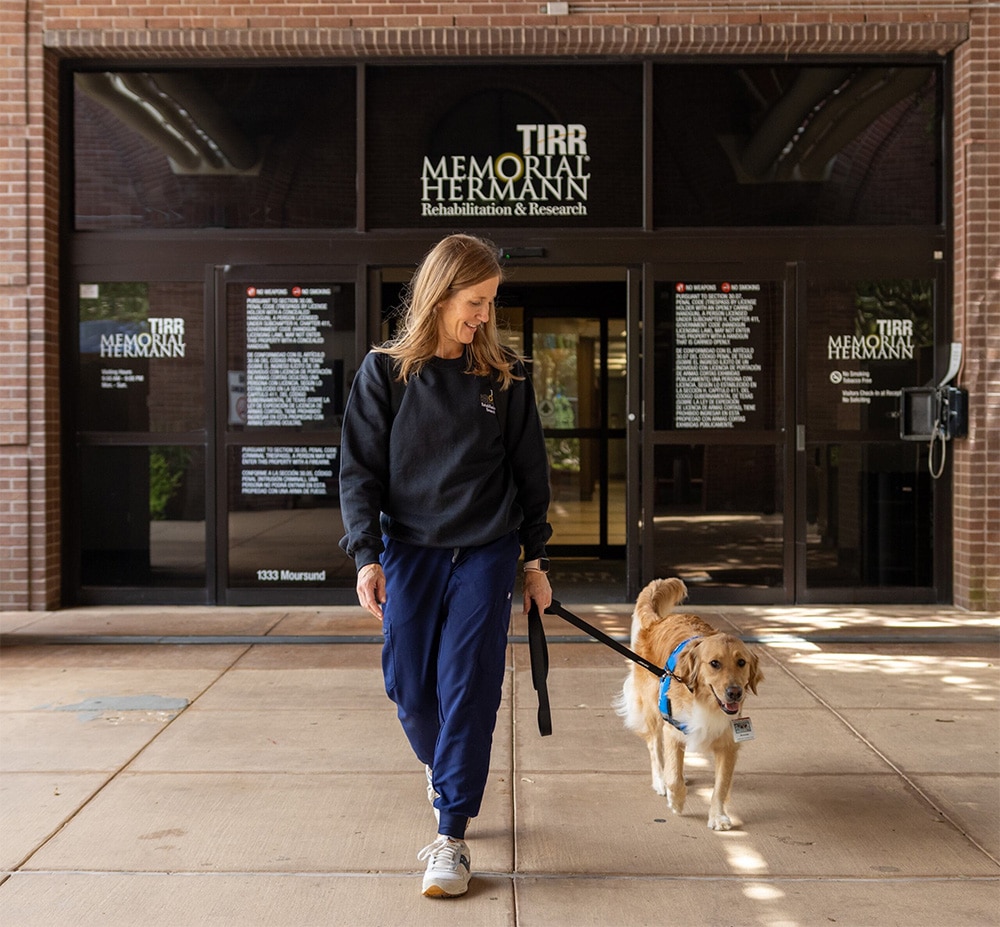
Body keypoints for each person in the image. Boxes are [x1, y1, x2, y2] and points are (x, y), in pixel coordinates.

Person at [338, 233, 553, 898]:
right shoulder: (385, 374)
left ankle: (451, 834)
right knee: (408, 686)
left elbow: (530, 470)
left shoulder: (503, 375)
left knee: (469, 683)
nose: (484, 314)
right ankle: (448, 767)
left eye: (490, 302)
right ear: (440, 294)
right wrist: (365, 556)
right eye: (475, 300)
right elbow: (359, 472)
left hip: (486, 551)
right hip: (410, 551)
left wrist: (535, 557)